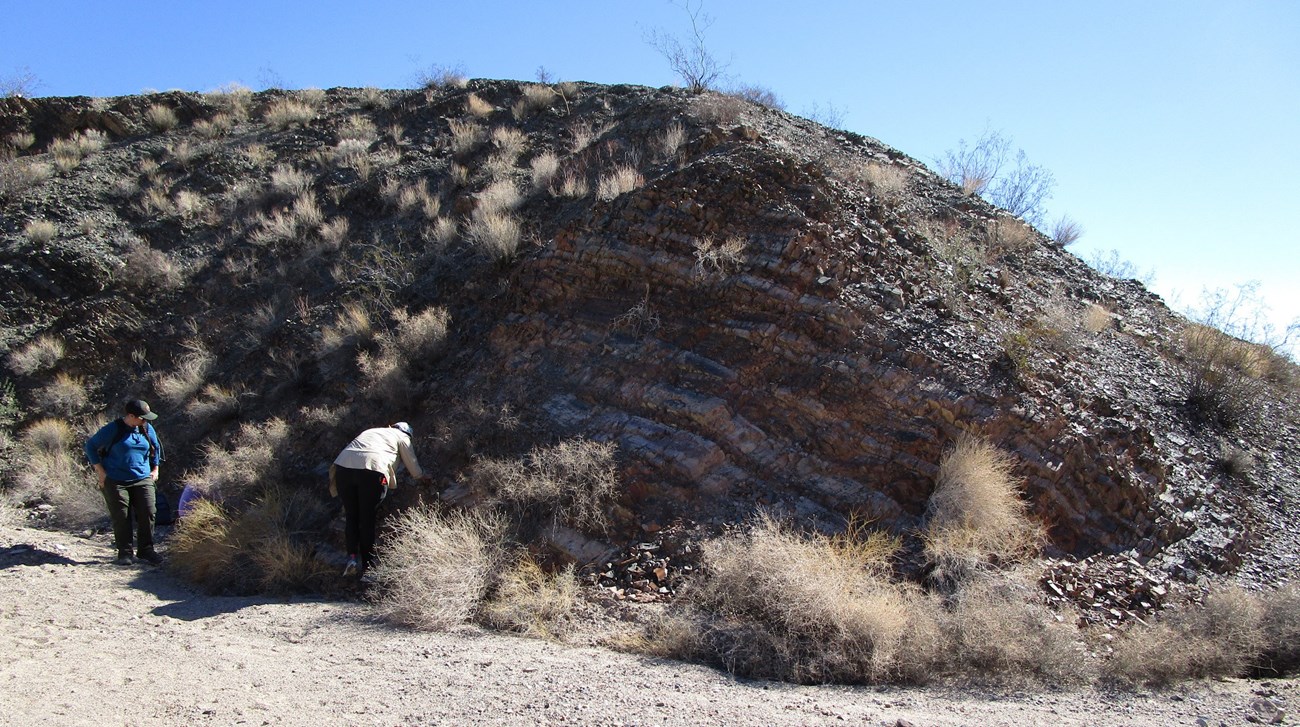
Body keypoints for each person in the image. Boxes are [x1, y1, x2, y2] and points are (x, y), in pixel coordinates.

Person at [330, 422, 429, 576]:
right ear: (407, 433)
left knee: (352, 515)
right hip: (372, 470)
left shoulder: (372, 430)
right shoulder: (402, 436)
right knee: (367, 518)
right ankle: (368, 569)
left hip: (343, 468)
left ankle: (352, 558)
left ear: (392, 426)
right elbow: (413, 466)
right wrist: (422, 477)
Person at [85, 399, 164, 566]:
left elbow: (156, 448)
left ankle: (146, 550)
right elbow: (90, 446)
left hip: (143, 478)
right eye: (142, 417)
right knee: (122, 516)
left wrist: (155, 469)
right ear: (130, 415)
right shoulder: (113, 429)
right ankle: (125, 553)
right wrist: (101, 471)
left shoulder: (146, 428)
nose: (145, 420)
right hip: (116, 480)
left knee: (148, 512)